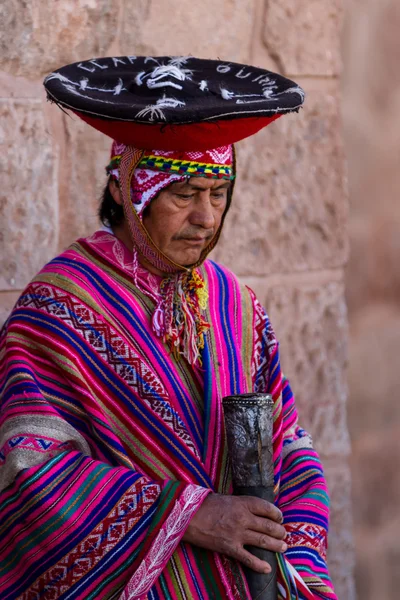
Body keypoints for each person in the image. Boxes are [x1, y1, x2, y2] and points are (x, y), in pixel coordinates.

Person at [0, 56, 336, 599]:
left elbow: (289, 445)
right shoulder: (60, 309)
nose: (206, 217)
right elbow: (29, 465)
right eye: (184, 195)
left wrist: (287, 554)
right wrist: (188, 514)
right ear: (125, 189)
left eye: (218, 193)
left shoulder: (235, 305)